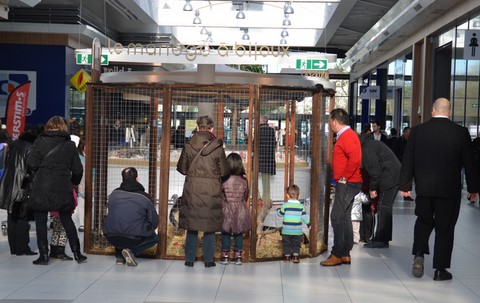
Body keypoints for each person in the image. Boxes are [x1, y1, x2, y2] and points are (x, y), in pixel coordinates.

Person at [399, 98, 479, 281]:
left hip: (424, 189)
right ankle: (440, 269)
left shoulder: (418, 131)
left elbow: (407, 160)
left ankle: (419, 253)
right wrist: (473, 188)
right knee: (445, 228)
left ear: (433, 111)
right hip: (449, 190)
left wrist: (405, 185)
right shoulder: (460, 132)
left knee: (423, 221)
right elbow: (470, 162)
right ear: (449, 112)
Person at [27, 116, 86, 265]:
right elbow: (78, 170)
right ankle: (77, 253)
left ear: (48, 127)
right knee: (66, 220)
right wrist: (73, 182)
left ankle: (44, 256)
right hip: (63, 186)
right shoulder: (70, 145)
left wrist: (39, 174)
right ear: (64, 128)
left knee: (41, 220)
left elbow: (32, 163)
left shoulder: (39, 141)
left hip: (42, 186)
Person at [177, 115, 229, 268]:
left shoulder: (188, 145)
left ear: (198, 127)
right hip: (211, 189)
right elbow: (224, 171)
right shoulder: (217, 147)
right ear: (211, 128)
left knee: (192, 225)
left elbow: (182, 168)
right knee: (209, 226)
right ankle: (208, 260)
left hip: (192, 188)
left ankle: (189, 259)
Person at [320, 108, 362, 267]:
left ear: (334, 122)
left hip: (348, 183)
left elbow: (355, 159)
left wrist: (344, 177)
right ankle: (345, 253)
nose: (330, 125)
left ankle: (337, 253)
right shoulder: (346, 136)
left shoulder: (348, 136)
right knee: (344, 217)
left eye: (330, 122)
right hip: (348, 182)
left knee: (336, 217)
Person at [103, 167, 159, 267]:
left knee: (119, 229)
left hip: (111, 236)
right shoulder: (145, 197)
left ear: (122, 179)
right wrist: (146, 228)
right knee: (155, 238)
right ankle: (132, 251)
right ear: (137, 178)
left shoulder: (113, 194)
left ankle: (119, 257)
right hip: (135, 238)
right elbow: (154, 221)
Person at [0, 128, 40, 256]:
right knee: (23, 216)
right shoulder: (31, 147)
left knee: (12, 216)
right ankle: (23, 248)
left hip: (9, 184)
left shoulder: (13, 145)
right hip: (23, 185)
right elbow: (32, 167)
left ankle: (14, 248)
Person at [360, 132, 401, 248]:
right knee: (385, 207)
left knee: (383, 207)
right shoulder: (372, 145)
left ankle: (381, 239)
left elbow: (374, 172)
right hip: (393, 175)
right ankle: (383, 238)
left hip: (389, 177)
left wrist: (372, 189)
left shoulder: (366, 150)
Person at [220, 152, 252, 265]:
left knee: (226, 232)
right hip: (240, 208)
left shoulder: (223, 180)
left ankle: (225, 256)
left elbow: (221, 195)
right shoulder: (244, 180)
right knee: (239, 233)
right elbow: (246, 195)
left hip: (226, 208)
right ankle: (238, 256)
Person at [277, 184, 310, 263]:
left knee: (286, 244)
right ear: (299, 195)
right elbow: (304, 217)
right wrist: (309, 224)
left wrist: (278, 209)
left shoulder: (285, 205)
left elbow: (280, 214)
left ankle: (287, 258)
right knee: (296, 244)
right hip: (297, 231)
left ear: (287, 195)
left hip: (286, 230)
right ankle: (296, 257)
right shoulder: (301, 206)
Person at [258, 115, 276, 202]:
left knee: (251, 178)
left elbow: (255, 144)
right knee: (266, 180)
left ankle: (257, 197)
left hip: (259, 158)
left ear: (261, 121)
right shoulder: (272, 130)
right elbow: (274, 144)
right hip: (268, 158)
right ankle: (266, 199)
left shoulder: (259, 130)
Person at [72, 136, 86, 232]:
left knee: (89, 204)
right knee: (81, 203)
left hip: (90, 181)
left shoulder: (92, 156)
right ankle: (82, 223)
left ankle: (88, 223)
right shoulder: (78, 156)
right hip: (81, 181)